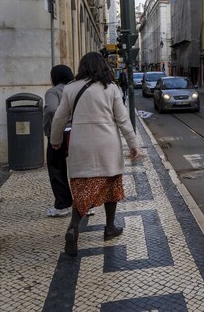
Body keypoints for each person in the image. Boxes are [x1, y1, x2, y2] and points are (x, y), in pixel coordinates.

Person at [50, 52, 139, 257]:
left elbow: (58, 119)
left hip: (81, 146)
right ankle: (109, 228)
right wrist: (133, 145)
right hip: (107, 146)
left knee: (82, 189)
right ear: (103, 67)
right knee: (111, 185)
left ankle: (73, 227)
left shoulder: (71, 88)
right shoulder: (111, 88)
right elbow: (123, 120)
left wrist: (55, 141)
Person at [43, 65, 74, 217]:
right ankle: (86, 204)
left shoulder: (53, 91)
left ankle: (63, 204)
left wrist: (50, 128)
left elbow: (50, 110)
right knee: (80, 169)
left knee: (57, 169)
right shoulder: (76, 89)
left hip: (60, 134)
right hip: (78, 133)